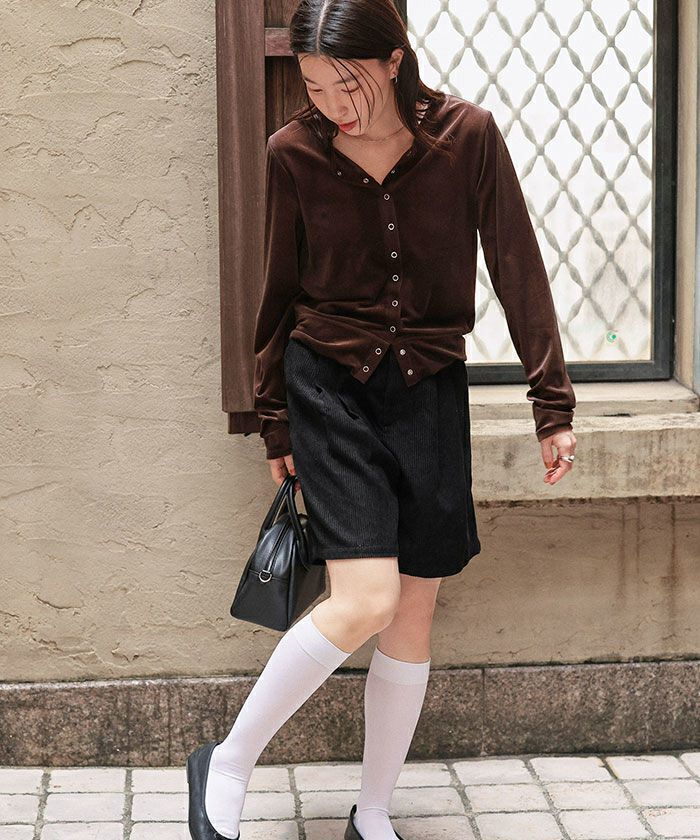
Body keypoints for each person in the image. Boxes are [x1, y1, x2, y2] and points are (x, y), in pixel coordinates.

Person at [187, 1, 577, 839]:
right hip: (330, 391)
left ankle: (371, 814)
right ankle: (227, 761)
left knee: (411, 613)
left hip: (428, 393)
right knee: (365, 599)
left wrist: (553, 404)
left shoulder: (468, 138)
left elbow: (517, 266)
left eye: (351, 84)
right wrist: (276, 421)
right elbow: (277, 290)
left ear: (395, 59)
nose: (336, 106)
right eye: (316, 88)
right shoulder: (293, 152)